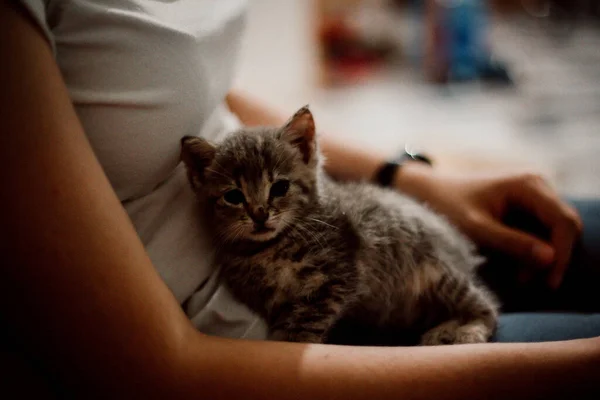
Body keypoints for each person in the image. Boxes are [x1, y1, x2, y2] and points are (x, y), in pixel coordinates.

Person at [0, 0, 598, 398]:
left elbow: (197, 88)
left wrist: (410, 176)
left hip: (350, 240)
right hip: (249, 353)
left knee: (571, 231)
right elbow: (150, 369)